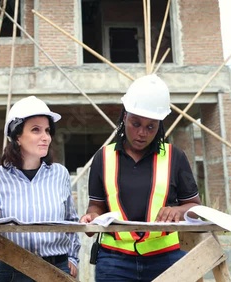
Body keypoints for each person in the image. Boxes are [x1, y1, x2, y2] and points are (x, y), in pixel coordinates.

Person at [80, 74, 202, 282]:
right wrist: (91, 217)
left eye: (150, 127)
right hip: (114, 261)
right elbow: (96, 206)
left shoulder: (175, 157)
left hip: (166, 259)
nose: (141, 133)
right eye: (135, 123)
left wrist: (178, 211)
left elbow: (195, 209)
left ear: (160, 126)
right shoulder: (103, 157)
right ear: (125, 116)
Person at [0, 96, 81, 281]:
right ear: (17, 136)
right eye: (36, 130)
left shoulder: (60, 174)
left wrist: (73, 257)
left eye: (47, 130)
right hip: (13, 270)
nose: (45, 137)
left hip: (57, 268)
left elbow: (71, 220)